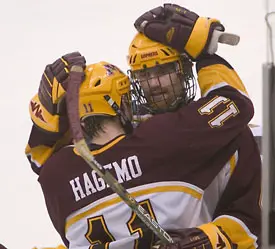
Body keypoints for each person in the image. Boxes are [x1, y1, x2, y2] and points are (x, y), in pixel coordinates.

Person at [25, 4, 261, 249]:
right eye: (144, 75)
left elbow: (40, 161)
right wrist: (205, 53)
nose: (155, 83)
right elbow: (234, 103)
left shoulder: (57, 173)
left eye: (164, 69)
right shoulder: (170, 135)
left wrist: (48, 108)